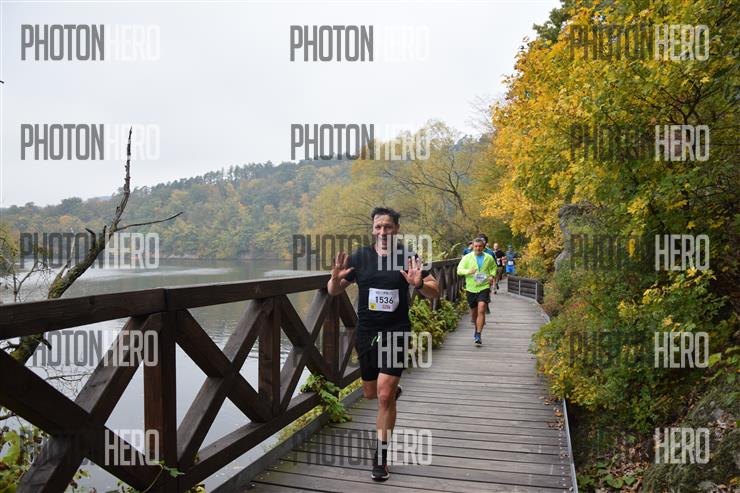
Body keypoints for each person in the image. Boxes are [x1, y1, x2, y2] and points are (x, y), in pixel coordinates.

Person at [327, 207, 439, 482]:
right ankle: (390, 392)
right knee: (370, 393)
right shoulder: (360, 258)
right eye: (378, 227)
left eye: (388, 226)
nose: (382, 232)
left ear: (396, 229)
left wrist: (419, 285)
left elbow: (435, 289)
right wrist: (334, 279)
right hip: (367, 333)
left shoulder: (409, 257)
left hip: (396, 331)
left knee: (384, 395)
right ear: (372, 229)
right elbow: (334, 290)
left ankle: (381, 457)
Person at [456, 237, 497, 345]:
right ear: (473, 247)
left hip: (484, 287)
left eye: (480, 246)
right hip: (471, 288)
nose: (478, 248)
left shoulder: (488, 257)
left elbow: (494, 268)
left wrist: (492, 275)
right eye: (476, 246)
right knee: (474, 313)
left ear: (483, 247)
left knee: (482, 308)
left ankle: (478, 334)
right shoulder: (467, 258)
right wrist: (468, 271)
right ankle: (476, 328)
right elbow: (459, 270)